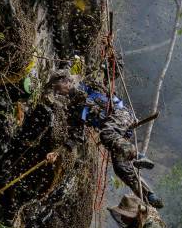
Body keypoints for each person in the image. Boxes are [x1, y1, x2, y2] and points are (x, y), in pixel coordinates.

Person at [45, 72, 164, 209]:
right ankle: (149, 196)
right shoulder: (74, 109)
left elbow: (104, 85)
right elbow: (76, 136)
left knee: (106, 134)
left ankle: (138, 155)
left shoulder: (87, 85)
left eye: (57, 87)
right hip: (116, 134)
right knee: (120, 168)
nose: (58, 92)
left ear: (66, 81)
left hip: (120, 115)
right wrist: (57, 152)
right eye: (55, 90)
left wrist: (85, 91)